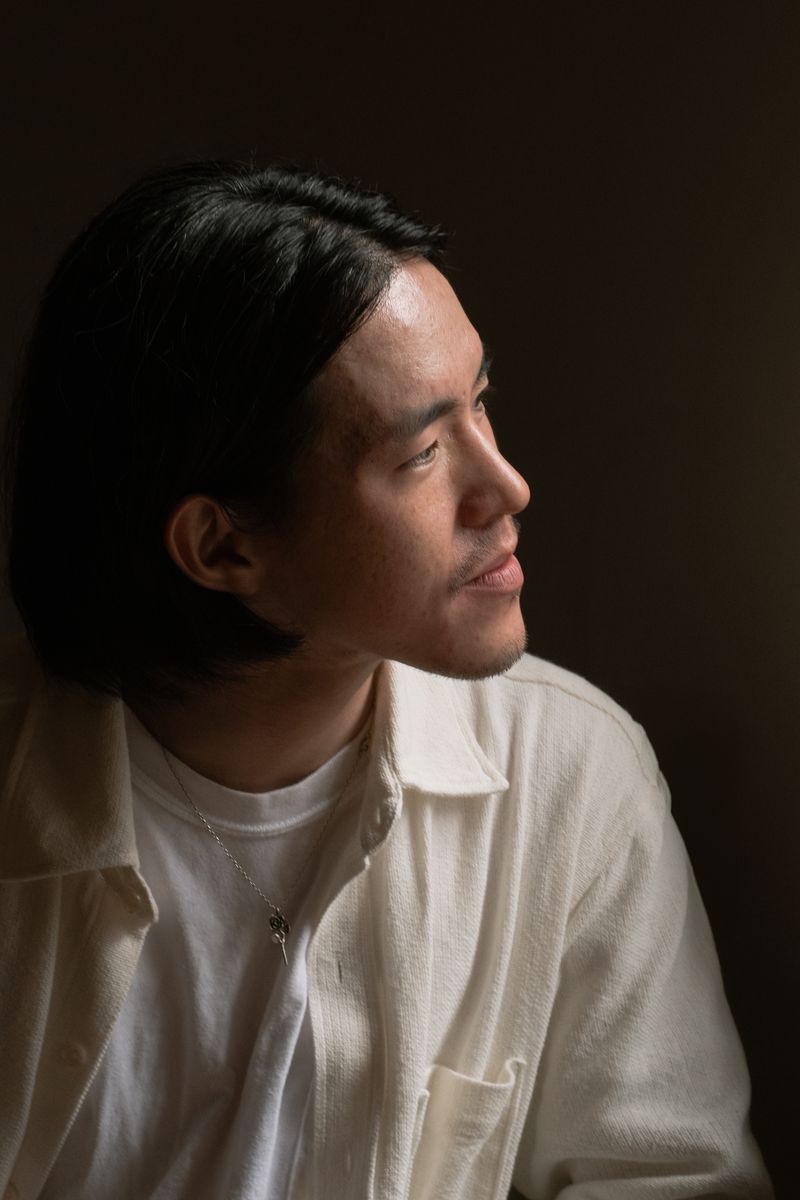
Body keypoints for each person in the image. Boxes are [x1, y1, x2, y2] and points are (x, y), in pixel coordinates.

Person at [0, 161, 771, 1200]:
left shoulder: (569, 772)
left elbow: (669, 1177)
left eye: (481, 403)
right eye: (419, 454)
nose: (504, 484)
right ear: (223, 548)